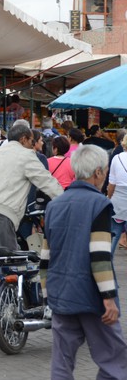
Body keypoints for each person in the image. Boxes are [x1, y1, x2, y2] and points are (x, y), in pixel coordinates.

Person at [0, 124, 63, 346]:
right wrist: (69, 201)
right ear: (26, 139)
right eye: (32, 141)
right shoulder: (27, 156)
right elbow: (47, 183)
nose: (34, 145)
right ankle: (10, 320)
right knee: (10, 270)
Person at [40, 145, 127, 378]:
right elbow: (99, 256)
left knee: (61, 362)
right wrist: (108, 298)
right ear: (98, 172)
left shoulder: (54, 205)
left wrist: (47, 294)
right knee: (114, 360)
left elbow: (45, 256)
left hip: (61, 294)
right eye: (106, 171)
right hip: (91, 296)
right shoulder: (99, 204)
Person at [106, 133, 127, 254]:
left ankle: (107, 268)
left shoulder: (117, 158)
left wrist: (109, 198)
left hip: (118, 201)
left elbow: (111, 184)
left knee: (113, 236)